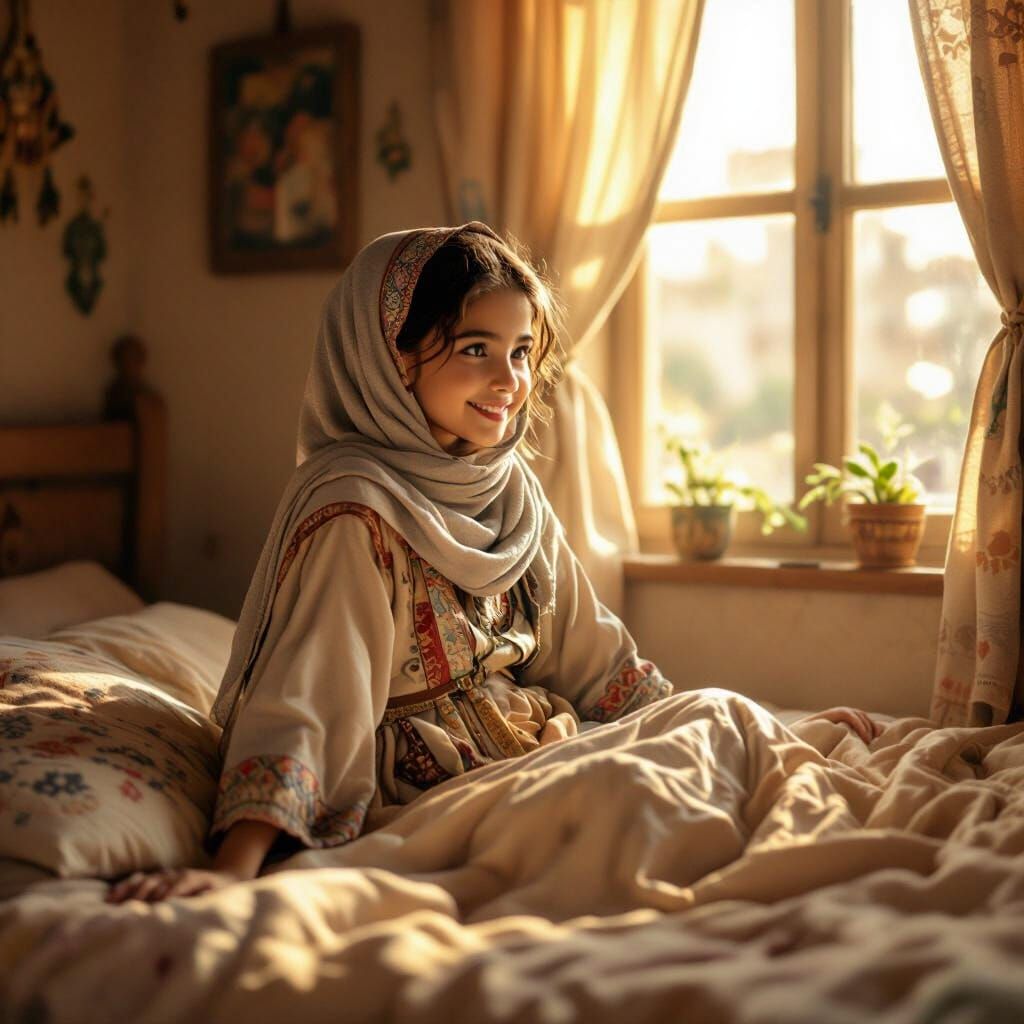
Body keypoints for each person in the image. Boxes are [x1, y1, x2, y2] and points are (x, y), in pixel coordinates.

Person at [107, 222, 881, 904]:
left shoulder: (509, 490)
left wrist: (753, 730)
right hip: (432, 791)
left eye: (519, 352)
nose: (509, 381)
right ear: (392, 360)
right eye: (475, 349)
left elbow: (597, 657)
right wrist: (236, 867)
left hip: (537, 749)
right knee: (658, 789)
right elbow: (308, 698)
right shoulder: (352, 510)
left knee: (718, 719)